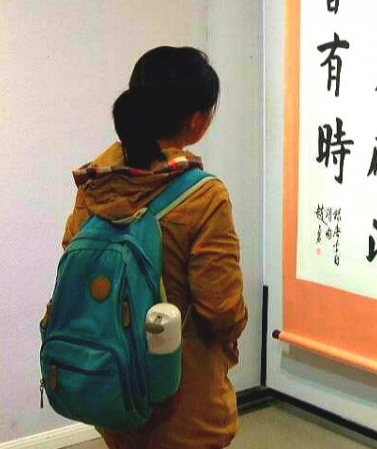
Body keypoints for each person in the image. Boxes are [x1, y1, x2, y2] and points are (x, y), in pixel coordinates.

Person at [62, 46, 248, 449]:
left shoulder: (95, 182)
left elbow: (73, 261)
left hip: (113, 385)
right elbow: (222, 309)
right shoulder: (204, 196)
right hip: (182, 399)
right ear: (196, 121)